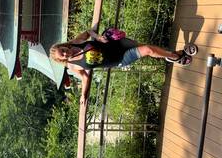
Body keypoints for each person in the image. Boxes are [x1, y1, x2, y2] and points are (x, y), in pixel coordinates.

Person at [50, 28, 190, 106]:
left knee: (147, 47)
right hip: (119, 59)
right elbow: (85, 77)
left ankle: (172, 55)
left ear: (63, 45)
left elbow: (88, 32)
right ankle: (175, 57)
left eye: (62, 49)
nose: (64, 52)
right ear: (61, 59)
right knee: (148, 50)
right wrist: (83, 95)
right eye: (62, 54)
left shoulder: (75, 42)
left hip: (117, 44)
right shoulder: (72, 65)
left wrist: (98, 37)